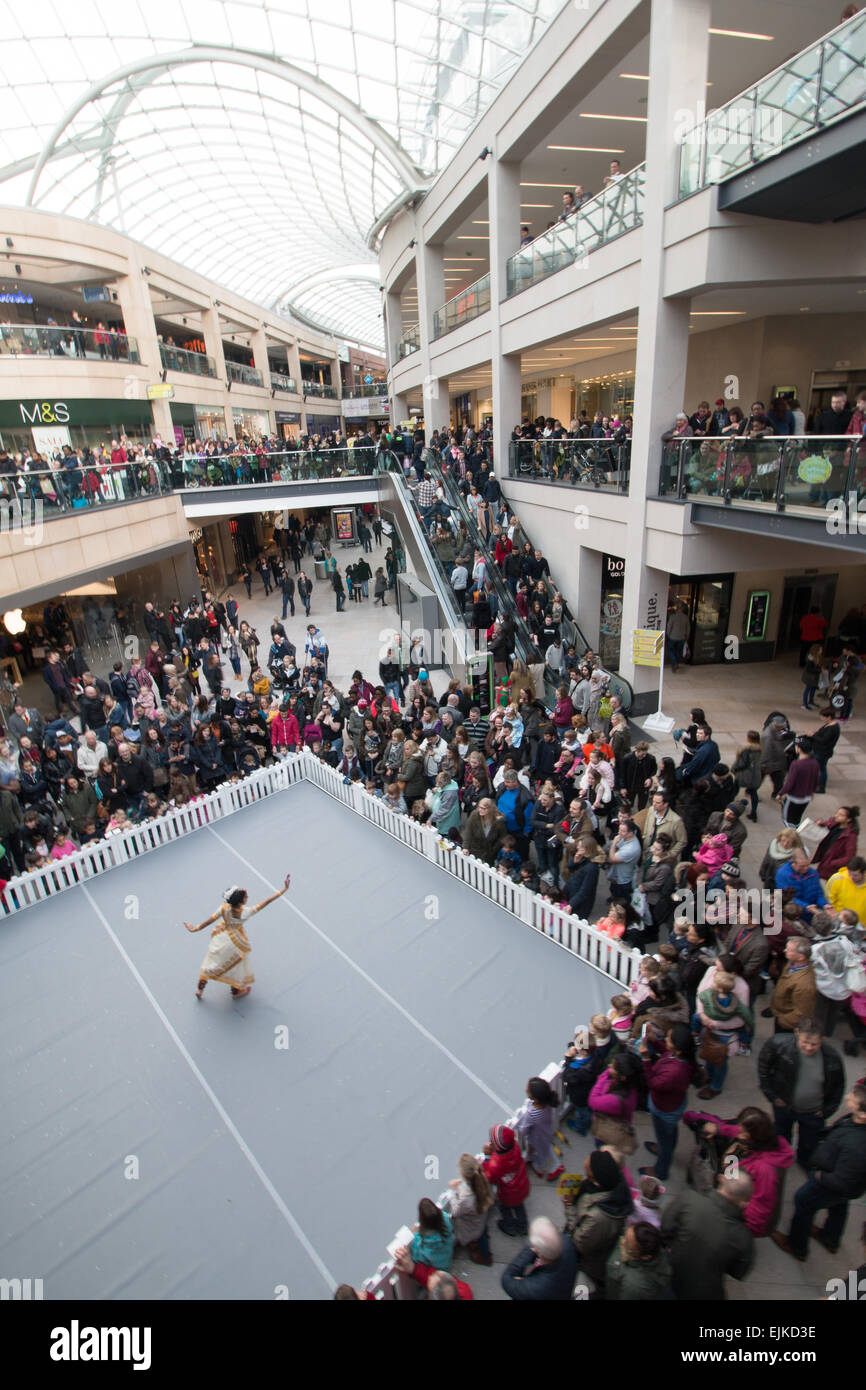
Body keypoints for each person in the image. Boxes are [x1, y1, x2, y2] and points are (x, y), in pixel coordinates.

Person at [773, 1082, 866, 1261]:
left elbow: (841, 1181)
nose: (847, 1097)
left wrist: (819, 1176)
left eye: (853, 1098)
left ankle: (796, 1246)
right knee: (839, 1205)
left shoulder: (858, 1145)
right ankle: (830, 1238)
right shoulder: (855, 1124)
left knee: (803, 1201)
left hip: (831, 1181)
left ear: (863, 1115)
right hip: (847, 1185)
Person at [682, 1107, 794, 1237]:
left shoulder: (765, 1170)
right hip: (737, 1191)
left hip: (742, 1213)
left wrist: (742, 1232)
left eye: (743, 1132)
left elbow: (760, 1210)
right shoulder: (767, 1141)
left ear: (754, 1137)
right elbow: (737, 1131)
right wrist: (719, 1129)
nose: (739, 1134)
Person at [758, 1017, 845, 1168]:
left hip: (813, 1113)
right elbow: (764, 1068)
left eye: (814, 1044)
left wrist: (826, 1111)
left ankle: (804, 1162)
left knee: (809, 1143)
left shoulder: (832, 1058)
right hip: (784, 1107)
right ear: (797, 1033)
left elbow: (838, 1087)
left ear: (822, 1039)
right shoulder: (778, 1045)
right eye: (805, 1042)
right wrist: (772, 1096)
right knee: (781, 1137)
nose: (809, 1047)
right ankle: (782, 1159)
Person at [185, 875, 291, 1000]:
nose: (247, 897)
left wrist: (195, 928)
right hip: (235, 942)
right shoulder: (246, 912)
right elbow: (267, 901)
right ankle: (236, 992)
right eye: (246, 896)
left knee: (210, 962)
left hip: (221, 937)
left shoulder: (224, 908)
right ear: (242, 901)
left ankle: (200, 990)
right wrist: (284, 889)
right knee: (236, 969)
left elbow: (210, 920)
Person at [661, 1171, 755, 1299]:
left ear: (721, 1179)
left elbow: (666, 1227)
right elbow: (738, 1272)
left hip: (671, 1278)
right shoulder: (743, 1236)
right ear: (744, 1203)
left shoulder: (688, 1199)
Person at [564, 1149, 633, 1296]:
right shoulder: (615, 1182)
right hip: (597, 1244)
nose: (583, 1164)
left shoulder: (598, 1217)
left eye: (587, 1169)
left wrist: (569, 1208)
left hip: (590, 1264)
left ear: (596, 1178)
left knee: (580, 1290)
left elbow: (580, 1243)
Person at [638, 1023, 698, 1181]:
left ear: (678, 1049)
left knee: (664, 1134)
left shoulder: (675, 1072)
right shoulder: (680, 1058)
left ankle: (661, 1169)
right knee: (668, 1133)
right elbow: (665, 1052)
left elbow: (653, 1083)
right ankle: (666, 1147)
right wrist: (653, 1041)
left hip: (665, 1109)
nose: (665, 1040)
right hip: (670, 1105)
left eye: (669, 1039)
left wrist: (645, 1058)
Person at [501, 1217, 578, 1301]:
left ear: (538, 1252)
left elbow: (507, 1279)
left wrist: (531, 1248)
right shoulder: (568, 1243)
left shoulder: (534, 1289)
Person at [482, 1124, 530, 1236]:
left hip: (508, 1194)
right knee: (519, 1206)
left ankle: (509, 1226)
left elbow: (490, 1177)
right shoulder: (515, 1147)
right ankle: (523, 1226)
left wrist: (487, 1157)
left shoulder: (496, 1163)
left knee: (505, 1209)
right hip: (522, 1186)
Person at [605, 1222, 673, 1300]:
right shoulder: (654, 1247)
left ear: (645, 1257)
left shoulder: (635, 1287)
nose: (622, 1242)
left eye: (627, 1246)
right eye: (625, 1236)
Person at [448, 1154, 494, 1265]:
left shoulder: (466, 1200)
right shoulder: (483, 1180)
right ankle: (486, 1253)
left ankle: (479, 1254)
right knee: (483, 1235)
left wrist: (453, 1193)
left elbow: (455, 1212)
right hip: (481, 1220)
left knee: (475, 1238)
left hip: (471, 1227)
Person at [769, 937, 817, 1034]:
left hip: (787, 1024)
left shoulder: (805, 985)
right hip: (781, 1013)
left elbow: (802, 1014)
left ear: (801, 957)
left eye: (789, 950)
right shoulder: (792, 963)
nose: (784, 950)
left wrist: (781, 1021)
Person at [409, 1198, 453, 1271]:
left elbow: (416, 1258)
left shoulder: (425, 1242)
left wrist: (415, 1234)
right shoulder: (445, 1219)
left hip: (438, 1271)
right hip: (447, 1261)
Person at [666, 602, 690, 672]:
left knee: (670, 651)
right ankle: (675, 664)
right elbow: (688, 629)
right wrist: (687, 637)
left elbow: (669, 627)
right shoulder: (686, 618)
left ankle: (674, 663)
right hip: (681, 638)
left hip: (672, 637)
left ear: (677, 609)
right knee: (678, 651)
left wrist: (668, 635)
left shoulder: (672, 617)